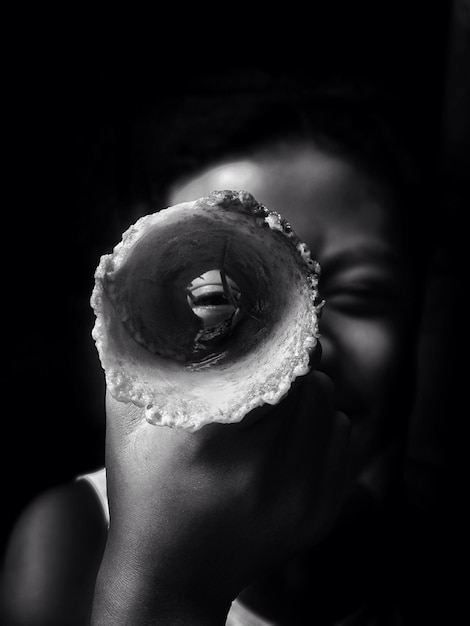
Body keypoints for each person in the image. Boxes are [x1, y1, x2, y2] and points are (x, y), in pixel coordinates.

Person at [0, 73, 451, 625]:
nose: (302, 351)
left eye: (359, 292)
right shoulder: (71, 539)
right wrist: (168, 585)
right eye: (213, 291)